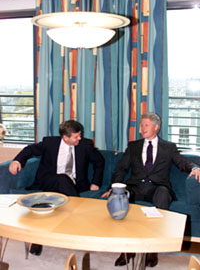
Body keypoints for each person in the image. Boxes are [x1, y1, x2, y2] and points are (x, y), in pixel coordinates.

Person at [102, 112, 200, 268]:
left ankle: (153, 249)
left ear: (156, 127)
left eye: (146, 125)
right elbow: (121, 168)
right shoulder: (133, 146)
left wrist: (195, 167)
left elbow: (182, 162)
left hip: (157, 188)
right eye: (141, 125)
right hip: (135, 186)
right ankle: (127, 249)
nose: (142, 128)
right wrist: (113, 187)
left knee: (162, 193)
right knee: (123, 197)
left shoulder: (168, 147)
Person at [9, 119, 105, 255]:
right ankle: (80, 226)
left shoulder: (85, 145)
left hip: (74, 184)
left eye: (80, 135)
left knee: (50, 203)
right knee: (61, 178)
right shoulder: (50, 143)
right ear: (65, 137)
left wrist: (96, 182)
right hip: (49, 180)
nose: (80, 138)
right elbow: (30, 149)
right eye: (76, 136)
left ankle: (38, 239)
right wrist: (17, 160)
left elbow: (99, 161)